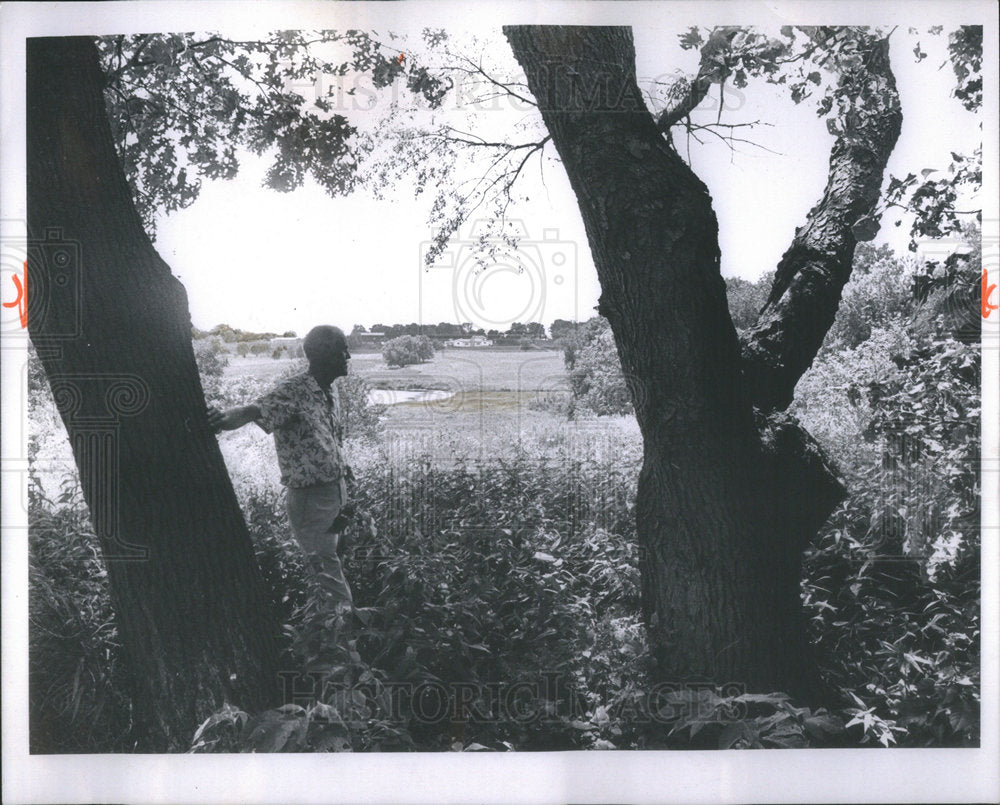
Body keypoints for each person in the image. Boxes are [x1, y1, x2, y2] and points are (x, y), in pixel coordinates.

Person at [208, 325, 354, 615]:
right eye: (342, 350)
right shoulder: (294, 390)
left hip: (335, 493)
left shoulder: (328, 390)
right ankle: (340, 646)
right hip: (311, 501)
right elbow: (254, 410)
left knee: (332, 564)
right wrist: (221, 418)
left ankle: (328, 633)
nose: (348, 356)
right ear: (324, 356)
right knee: (328, 577)